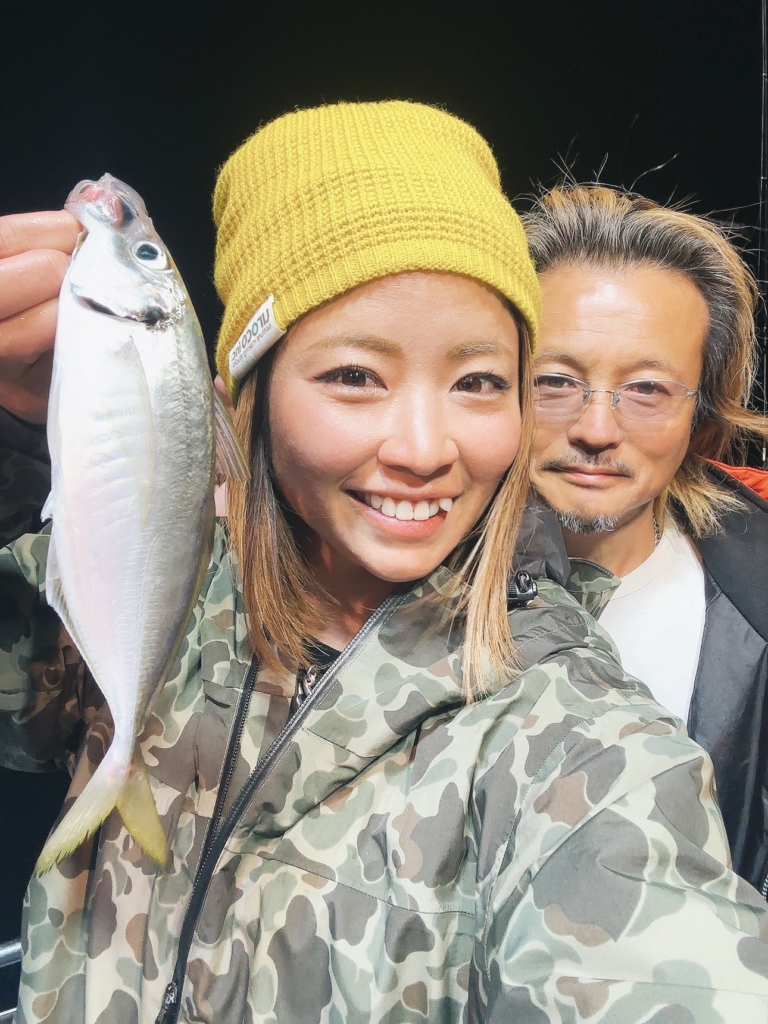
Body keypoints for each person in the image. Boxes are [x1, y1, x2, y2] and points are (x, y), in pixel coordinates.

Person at [2, 104, 768, 1024]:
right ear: (242, 401)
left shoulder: (579, 737)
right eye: (354, 376)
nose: (423, 448)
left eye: (478, 381)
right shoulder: (168, 596)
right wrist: (17, 448)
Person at [522, 183, 768, 894]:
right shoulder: (389, 585)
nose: (596, 429)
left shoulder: (754, 600)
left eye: (648, 389)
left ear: (702, 415)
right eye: (555, 381)